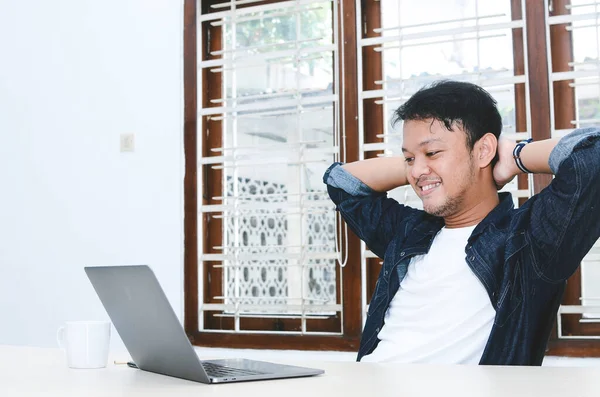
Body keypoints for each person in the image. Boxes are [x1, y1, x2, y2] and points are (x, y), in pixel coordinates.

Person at [323, 80, 600, 365]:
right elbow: (343, 183)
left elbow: (594, 156)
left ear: (483, 151)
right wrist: (420, 164)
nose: (416, 171)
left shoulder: (529, 240)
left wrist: (514, 158)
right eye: (409, 158)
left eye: (433, 152)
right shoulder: (410, 232)